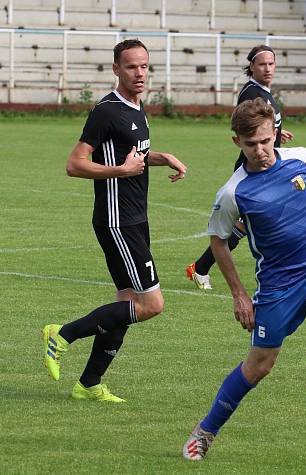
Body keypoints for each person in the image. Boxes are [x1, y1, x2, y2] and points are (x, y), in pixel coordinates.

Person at [182, 98, 306, 461]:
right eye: (250, 144)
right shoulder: (233, 193)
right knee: (259, 366)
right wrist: (240, 295)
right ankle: (206, 430)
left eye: (264, 140)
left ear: (274, 132)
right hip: (278, 286)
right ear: (237, 143)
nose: (259, 150)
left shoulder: (303, 158)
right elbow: (218, 241)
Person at [42, 39, 187, 402]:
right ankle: (62, 334)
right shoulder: (106, 111)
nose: (140, 73)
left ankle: (89, 383)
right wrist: (120, 171)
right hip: (117, 220)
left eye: (144, 66)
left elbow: (134, 155)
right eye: (132, 67)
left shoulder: (137, 108)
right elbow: (75, 164)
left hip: (137, 217)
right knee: (152, 305)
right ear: (116, 69)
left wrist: (162, 156)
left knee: (125, 301)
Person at [186, 45, 294, 290]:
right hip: (254, 167)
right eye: (262, 64)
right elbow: (247, 127)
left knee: (246, 223)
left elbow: (263, 124)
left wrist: (278, 134)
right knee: (248, 222)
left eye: (271, 63)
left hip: (269, 166)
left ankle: (200, 268)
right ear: (252, 67)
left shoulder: (263, 92)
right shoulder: (252, 93)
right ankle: (200, 269)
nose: (268, 68)